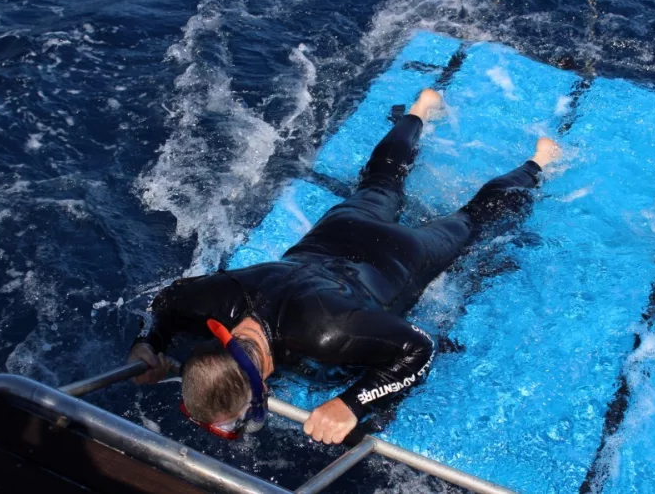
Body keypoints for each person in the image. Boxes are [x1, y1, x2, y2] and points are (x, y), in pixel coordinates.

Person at [127, 89, 562, 445]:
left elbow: (419, 349)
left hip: (398, 256)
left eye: (243, 417)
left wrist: (351, 403)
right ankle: (420, 109)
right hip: (337, 230)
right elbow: (167, 301)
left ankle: (540, 161)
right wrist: (152, 339)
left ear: (261, 382)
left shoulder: (327, 336)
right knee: (381, 180)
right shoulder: (209, 302)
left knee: (472, 220)